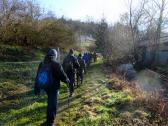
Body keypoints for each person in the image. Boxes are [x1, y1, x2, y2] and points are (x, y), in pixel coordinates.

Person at [34, 49, 70, 126]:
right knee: (53, 104)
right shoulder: (56, 64)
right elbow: (62, 76)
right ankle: (50, 122)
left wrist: (37, 89)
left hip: (45, 86)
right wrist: (68, 82)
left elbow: (37, 76)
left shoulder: (42, 63)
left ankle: (48, 118)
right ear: (55, 56)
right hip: (54, 87)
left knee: (50, 102)